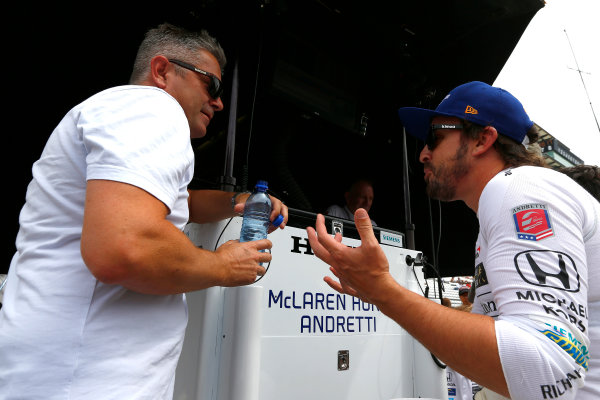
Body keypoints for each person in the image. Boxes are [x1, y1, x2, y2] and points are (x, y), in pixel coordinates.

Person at [0, 23, 288, 399]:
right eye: (211, 86)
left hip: (66, 370)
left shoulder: (119, 113)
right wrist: (224, 265)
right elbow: (125, 247)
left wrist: (239, 203)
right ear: (162, 71)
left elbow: (177, 204)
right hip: (90, 378)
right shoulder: (151, 108)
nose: (218, 103)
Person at [307, 81, 600, 399]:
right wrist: (385, 291)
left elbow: (547, 369)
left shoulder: (519, 188)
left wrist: (383, 291)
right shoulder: (506, 201)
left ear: (483, 140)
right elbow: (495, 339)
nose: (422, 154)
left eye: (436, 137)